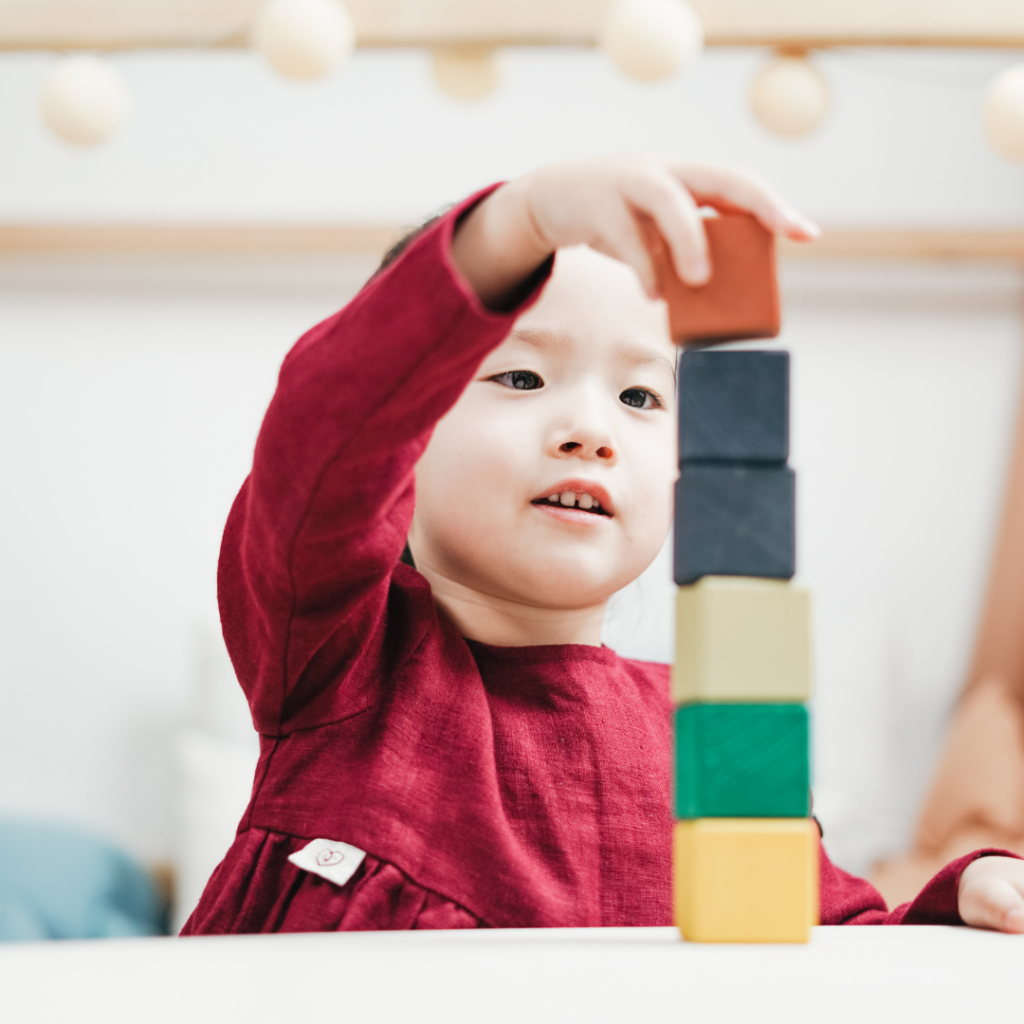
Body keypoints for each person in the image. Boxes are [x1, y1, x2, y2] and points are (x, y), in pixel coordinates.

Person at [181, 156, 1024, 935]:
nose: (590, 429)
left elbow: (816, 943)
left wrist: (954, 905)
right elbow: (324, 426)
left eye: (638, 395)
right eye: (520, 377)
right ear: (404, 439)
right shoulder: (337, 666)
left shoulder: (714, 728)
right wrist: (523, 222)